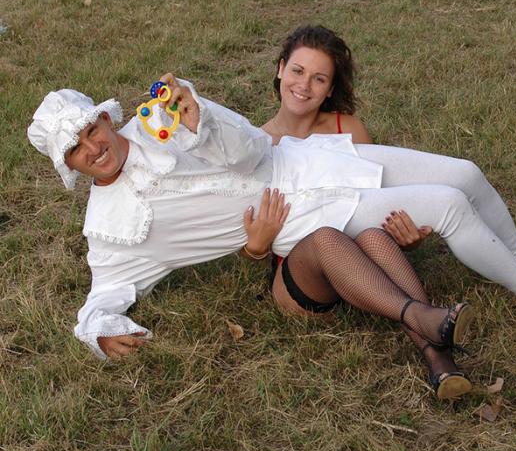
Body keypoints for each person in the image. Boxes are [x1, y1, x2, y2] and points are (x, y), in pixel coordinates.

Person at [27, 75, 476, 399]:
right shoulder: (109, 227)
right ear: (68, 166)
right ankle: (424, 319)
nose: (93, 148)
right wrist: (100, 332)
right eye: (75, 149)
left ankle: (436, 352)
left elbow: (250, 148)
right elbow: (101, 296)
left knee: (381, 233)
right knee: (335, 238)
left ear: (106, 119)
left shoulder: (158, 122)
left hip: (304, 178)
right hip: (296, 239)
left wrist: (200, 116)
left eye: (92, 131)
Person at [244, 25, 516, 329]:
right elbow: (237, 231)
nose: (304, 85)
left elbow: (375, 201)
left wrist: (404, 238)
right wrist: (255, 249)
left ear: (331, 88)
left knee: (466, 174)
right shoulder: (256, 146)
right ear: (280, 69)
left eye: (319, 78)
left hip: (365, 246)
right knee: (448, 204)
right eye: (297, 70)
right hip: (312, 263)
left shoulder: (345, 128)